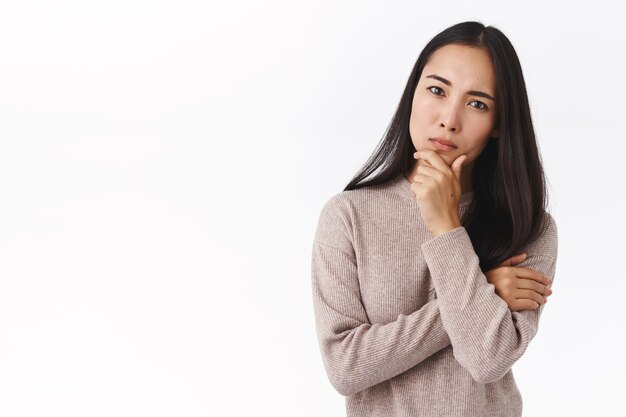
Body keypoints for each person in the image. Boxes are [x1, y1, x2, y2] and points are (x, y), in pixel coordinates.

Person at [310, 21, 558, 417]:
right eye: (437, 90)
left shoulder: (528, 226)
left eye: (477, 103)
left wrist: (447, 227)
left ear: (498, 125)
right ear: (413, 94)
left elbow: (487, 360)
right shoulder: (348, 216)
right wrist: (483, 290)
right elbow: (345, 367)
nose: (449, 119)